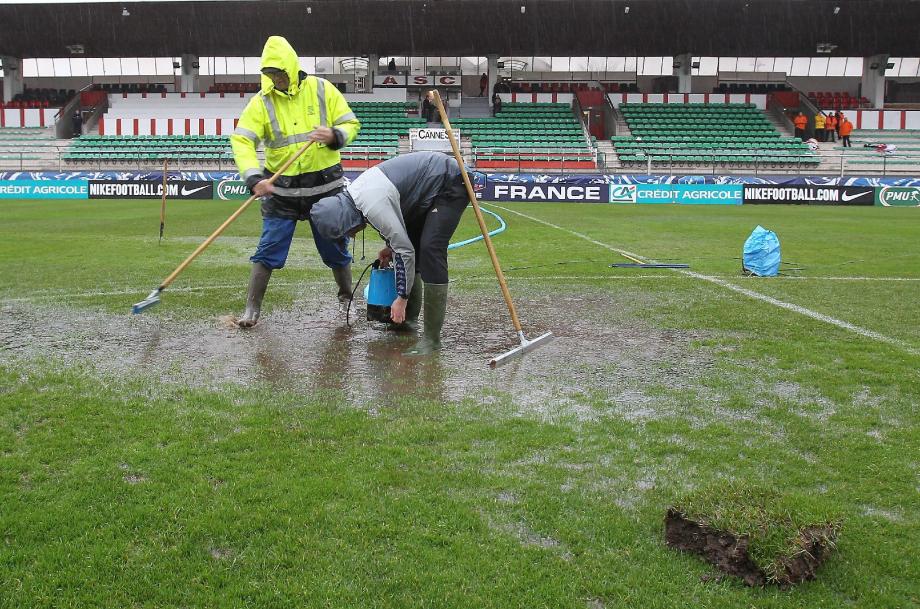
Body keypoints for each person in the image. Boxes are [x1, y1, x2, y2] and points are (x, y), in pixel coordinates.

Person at [230, 35, 361, 328]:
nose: (276, 79)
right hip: (281, 191)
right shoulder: (260, 102)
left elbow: (350, 124)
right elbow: (242, 140)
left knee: (335, 248)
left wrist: (334, 135)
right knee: (268, 248)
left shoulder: (321, 89)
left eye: (279, 73)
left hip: (325, 188)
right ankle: (252, 308)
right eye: (270, 74)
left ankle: (346, 298)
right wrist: (253, 177)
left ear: (291, 66)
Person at [310, 151, 472, 355]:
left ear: (344, 219)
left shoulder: (370, 203)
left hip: (450, 181)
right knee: (413, 245)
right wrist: (390, 247)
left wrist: (401, 298)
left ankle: (432, 339)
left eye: (347, 231)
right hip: (421, 195)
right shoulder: (357, 197)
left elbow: (404, 251)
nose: (352, 234)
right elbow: (399, 234)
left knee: (430, 249)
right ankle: (408, 321)